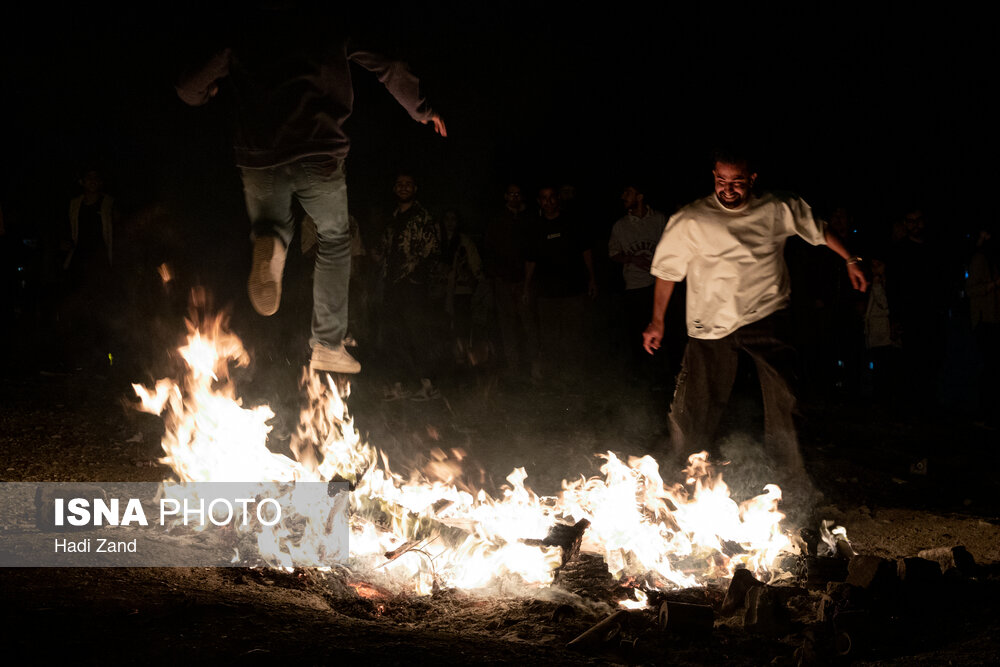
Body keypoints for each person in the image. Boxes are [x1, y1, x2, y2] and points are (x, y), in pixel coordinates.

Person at [174, 3, 446, 375]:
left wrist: (205, 94)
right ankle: (327, 344)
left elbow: (187, 87)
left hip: (259, 156)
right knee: (334, 238)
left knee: (271, 226)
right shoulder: (330, 18)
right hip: (318, 150)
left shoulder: (242, 26)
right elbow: (388, 65)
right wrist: (421, 109)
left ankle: (273, 246)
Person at [642, 149, 867, 504]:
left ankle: (792, 484)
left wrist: (850, 259)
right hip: (710, 323)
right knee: (694, 406)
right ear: (713, 176)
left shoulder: (778, 207)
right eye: (721, 181)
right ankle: (683, 481)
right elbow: (667, 272)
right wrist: (657, 321)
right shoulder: (691, 219)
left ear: (752, 179)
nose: (728, 189)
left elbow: (819, 230)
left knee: (785, 400)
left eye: (736, 182)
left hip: (767, 315)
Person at [374, 172, 443, 401]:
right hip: (392, 286)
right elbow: (384, 249)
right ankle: (398, 384)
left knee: (418, 335)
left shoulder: (423, 217)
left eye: (408, 184)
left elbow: (432, 250)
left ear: (415, 188)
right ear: (395, 189)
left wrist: (417, 277)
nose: (404, 188)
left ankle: (428, 385)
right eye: (400, 184)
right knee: (395, 335)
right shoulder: (393, 218)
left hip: (414, 287)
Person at [523, 185, 597, 385]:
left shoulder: (571, 222)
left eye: (552, 197)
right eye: (544, 198)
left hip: (572, 290)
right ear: (539, 201)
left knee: (574, 334)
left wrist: (592, 278)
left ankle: (574, 376)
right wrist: (526, 286)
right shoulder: (536, 227)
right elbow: (530, 260)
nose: (548, 202)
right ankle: (554, 377)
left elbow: (586, 250)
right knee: (549, 336)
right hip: (546, 293)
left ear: (557, 199)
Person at [608, 181, 667, 383]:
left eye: (628, 192)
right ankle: (640, 376)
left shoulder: (659, 220)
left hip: (658, 286)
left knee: (662, 330)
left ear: (640, 196)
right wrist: (633, 259)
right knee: (637, 332)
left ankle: (662, 375)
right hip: (634, 286)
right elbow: (613, 253)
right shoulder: (620, 226)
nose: (623, 197)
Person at [483, 183, 535, 382]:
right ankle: (513, 368)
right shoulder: (497, 221)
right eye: (511, 194)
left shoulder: (527, 220)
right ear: (505, 197)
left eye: (517, 194)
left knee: (528, 324)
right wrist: (495, 275)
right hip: (503, 281)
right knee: (507, 326)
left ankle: (532, 368)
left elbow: (533, 249)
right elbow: (488, 249)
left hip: (524, 280)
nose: (514, 197)